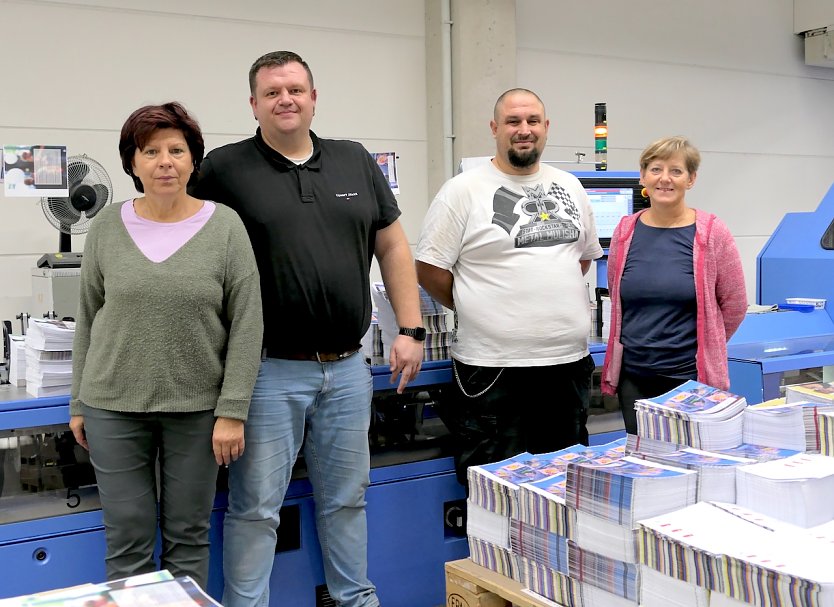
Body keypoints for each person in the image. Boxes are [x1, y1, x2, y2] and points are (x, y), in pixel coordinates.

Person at [191, 51, 424, 607]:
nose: (285, 99)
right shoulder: (224, 170)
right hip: (268, 371)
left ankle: (356, 599)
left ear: (314, 97)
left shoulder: (354, 160)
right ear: (253, 104)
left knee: (347, 499)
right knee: (255, 507)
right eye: (272, 92)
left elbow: (391, 244)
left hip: (348, 368)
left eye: (295, 89)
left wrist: (410, 329)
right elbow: (189, 247)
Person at [68, 102, 263, 590]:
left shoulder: (225, 227)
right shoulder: (107, 228)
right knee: (128, 539)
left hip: (197, 410)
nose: (164, 161)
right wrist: (78, 402)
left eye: (176, 150)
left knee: (188, 537)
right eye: (150, 151)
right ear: (132, 162)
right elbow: (88, 318)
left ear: (193, 159)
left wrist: (233, 409)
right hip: (112, 406)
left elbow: (246, 324)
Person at [415, 88, 603, 486]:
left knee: (565, 488)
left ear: (546, 127)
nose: (524, 130)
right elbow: (430, 268)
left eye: (532, 121)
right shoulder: (462, 190)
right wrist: (475, 303)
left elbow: (580, 258)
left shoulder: (570, 185)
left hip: (566, 365)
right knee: (496, 490)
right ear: (495, 128)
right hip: (495, 369)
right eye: (513, 122)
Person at [600, 136, 747, 435]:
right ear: (643, 176)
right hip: (635, 379)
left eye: (676, 171)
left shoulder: (711, 232)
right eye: (655, 169)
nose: (664, 178)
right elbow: (618, 295)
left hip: (691, 379)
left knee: (694, 466)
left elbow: (734, 305)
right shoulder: (625, 231)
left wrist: (709, 344)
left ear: (691, 179)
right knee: (644, 466)